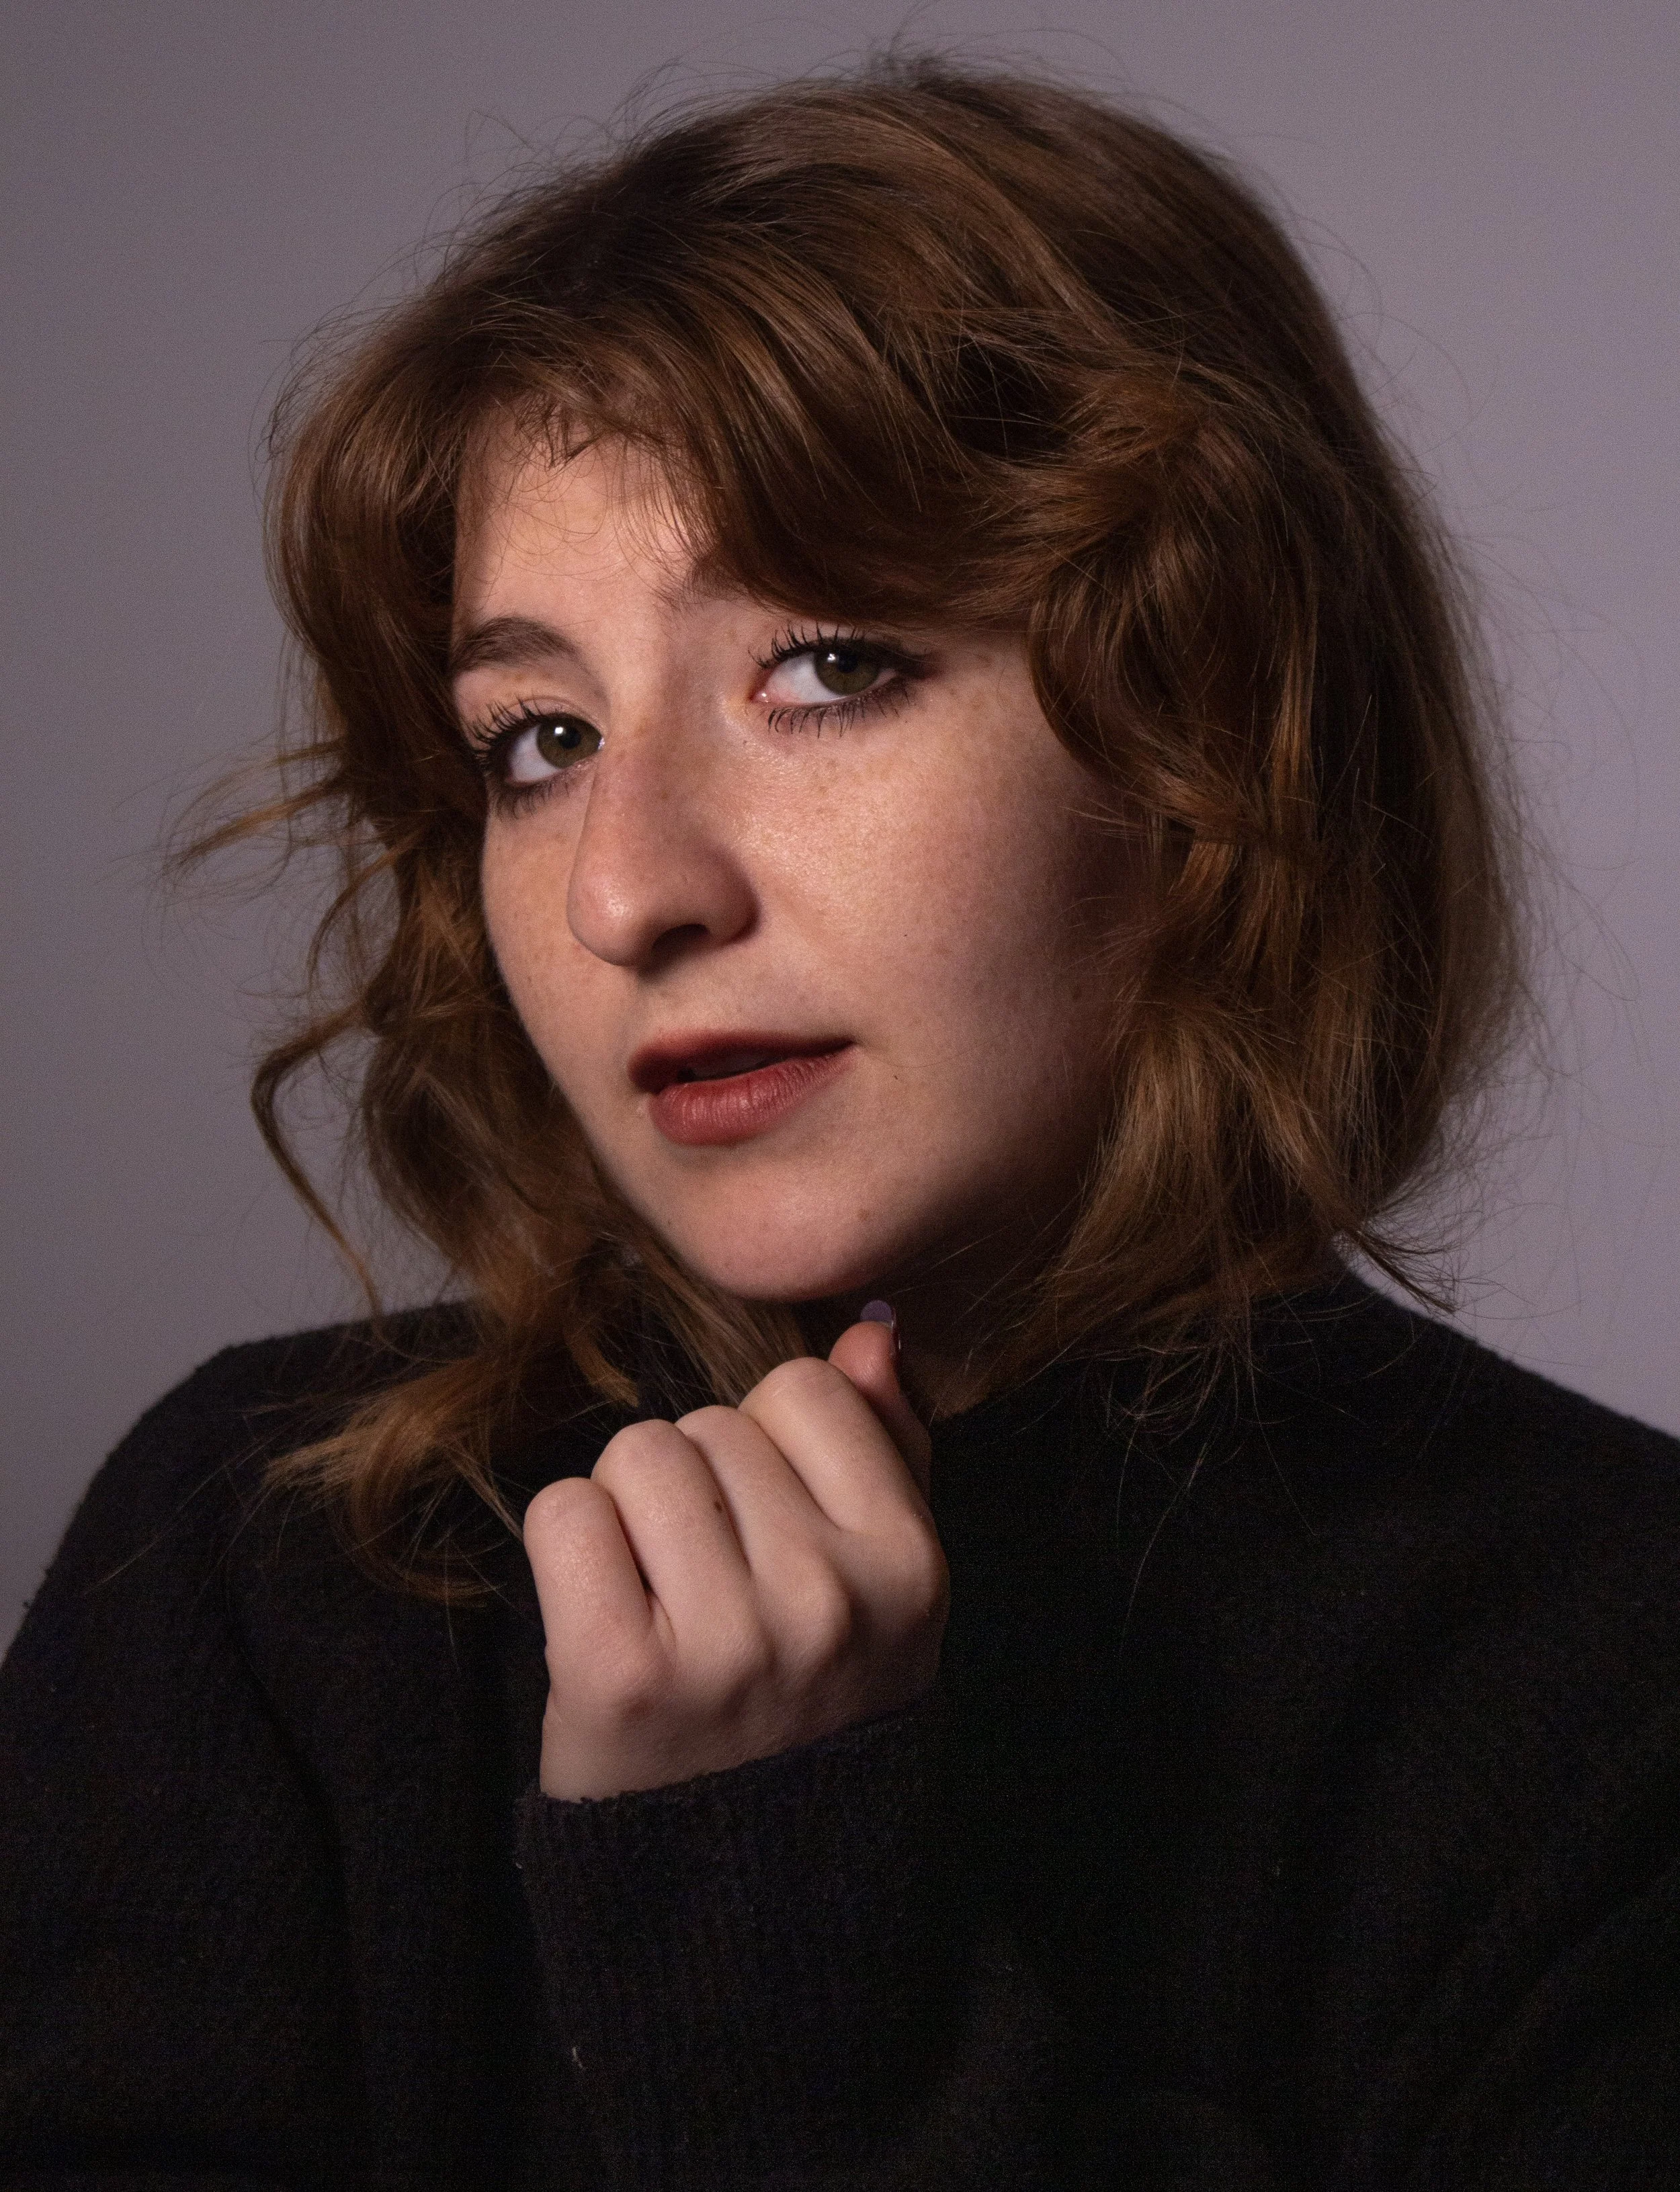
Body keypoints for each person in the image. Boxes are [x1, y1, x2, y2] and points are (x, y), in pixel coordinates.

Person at [1, 56, 1675, 2192]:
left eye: (825, 668)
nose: (629, 888)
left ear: (1207, 733)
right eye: (537, 736)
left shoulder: (1610, 1686)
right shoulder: (276, 1562)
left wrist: (774, 1973)